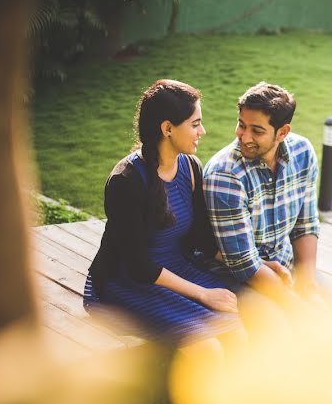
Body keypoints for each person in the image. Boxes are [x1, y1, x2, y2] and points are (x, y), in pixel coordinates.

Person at [84, 79, 245, 350]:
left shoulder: (191, 167)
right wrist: (204, 294)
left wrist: (252, 262)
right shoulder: (126, 180)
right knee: (206, 347)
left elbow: (200, 238)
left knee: (242, 325)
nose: (202, 131)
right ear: (167, 128)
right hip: (127, 282)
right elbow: (138, 265)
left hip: (179, 268)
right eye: (195, 124)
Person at [203, 81, 332, 309]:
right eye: (241, 125)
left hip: (285, 265)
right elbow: (243, 263)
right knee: (287, 325)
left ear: (282, 132)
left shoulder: (302, 152)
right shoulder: (226, 175)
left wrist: (306, 282)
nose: (244, 137)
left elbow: (305, 226)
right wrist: (297, 306)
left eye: (257, 131)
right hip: (233, 277)